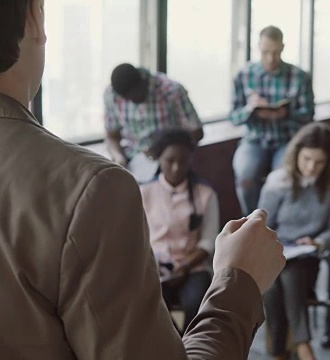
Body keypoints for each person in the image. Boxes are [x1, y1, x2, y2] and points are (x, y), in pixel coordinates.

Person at [0, 1, 285, 359]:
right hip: (127, 171)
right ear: (35, 18)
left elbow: (193, 130)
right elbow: (112, 136)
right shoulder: (92, 189)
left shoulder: (169, 93)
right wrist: (238, 279)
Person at [258, 123, 330, 360]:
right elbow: (260, 227)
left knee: (289, 274)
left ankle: (281, 352)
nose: (311, 167)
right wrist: (276, 245)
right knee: (278, 279)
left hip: (308, 259)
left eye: (319, 162)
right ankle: (302, 345)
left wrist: (317, 242)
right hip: (276, 255)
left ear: (329, 162)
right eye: (306, 159)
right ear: (296, 154)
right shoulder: (278, 182)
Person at [230, 25, 315, 216]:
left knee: (281, 180)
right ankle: (251, 221)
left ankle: (272, 225)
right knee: (245, 176)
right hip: (254, 139)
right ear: (258, 47)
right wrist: (250, 109)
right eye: (266, 52)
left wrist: (285, 114)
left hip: (287, 140)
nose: (271, 58)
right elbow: (233, 117)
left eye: (275, 52)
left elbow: (309, 117)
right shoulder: (243, 75)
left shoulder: (299, 77)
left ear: (283, 47)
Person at [140, 129, 220, 330]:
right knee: (150, 303)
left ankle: (192, 346)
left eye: (183, 161)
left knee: (197, 302)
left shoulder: (205, 194)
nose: (176, 167)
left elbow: (208, 241)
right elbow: (136, 239)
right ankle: (177, 346)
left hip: (193, 267)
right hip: (155, 268)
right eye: (169, 161)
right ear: (159, 158)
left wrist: (184, 265)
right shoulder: (144, 193)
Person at [104, 63, 204, 181]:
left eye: (134, 96)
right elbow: (112, 137)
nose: (132, 100)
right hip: (132, 163)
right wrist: (118, 157)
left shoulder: (171, 90)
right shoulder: (112, 95)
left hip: (166, 162)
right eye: (127, 98)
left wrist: (162, 147)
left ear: (142, 82)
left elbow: (196, 132)